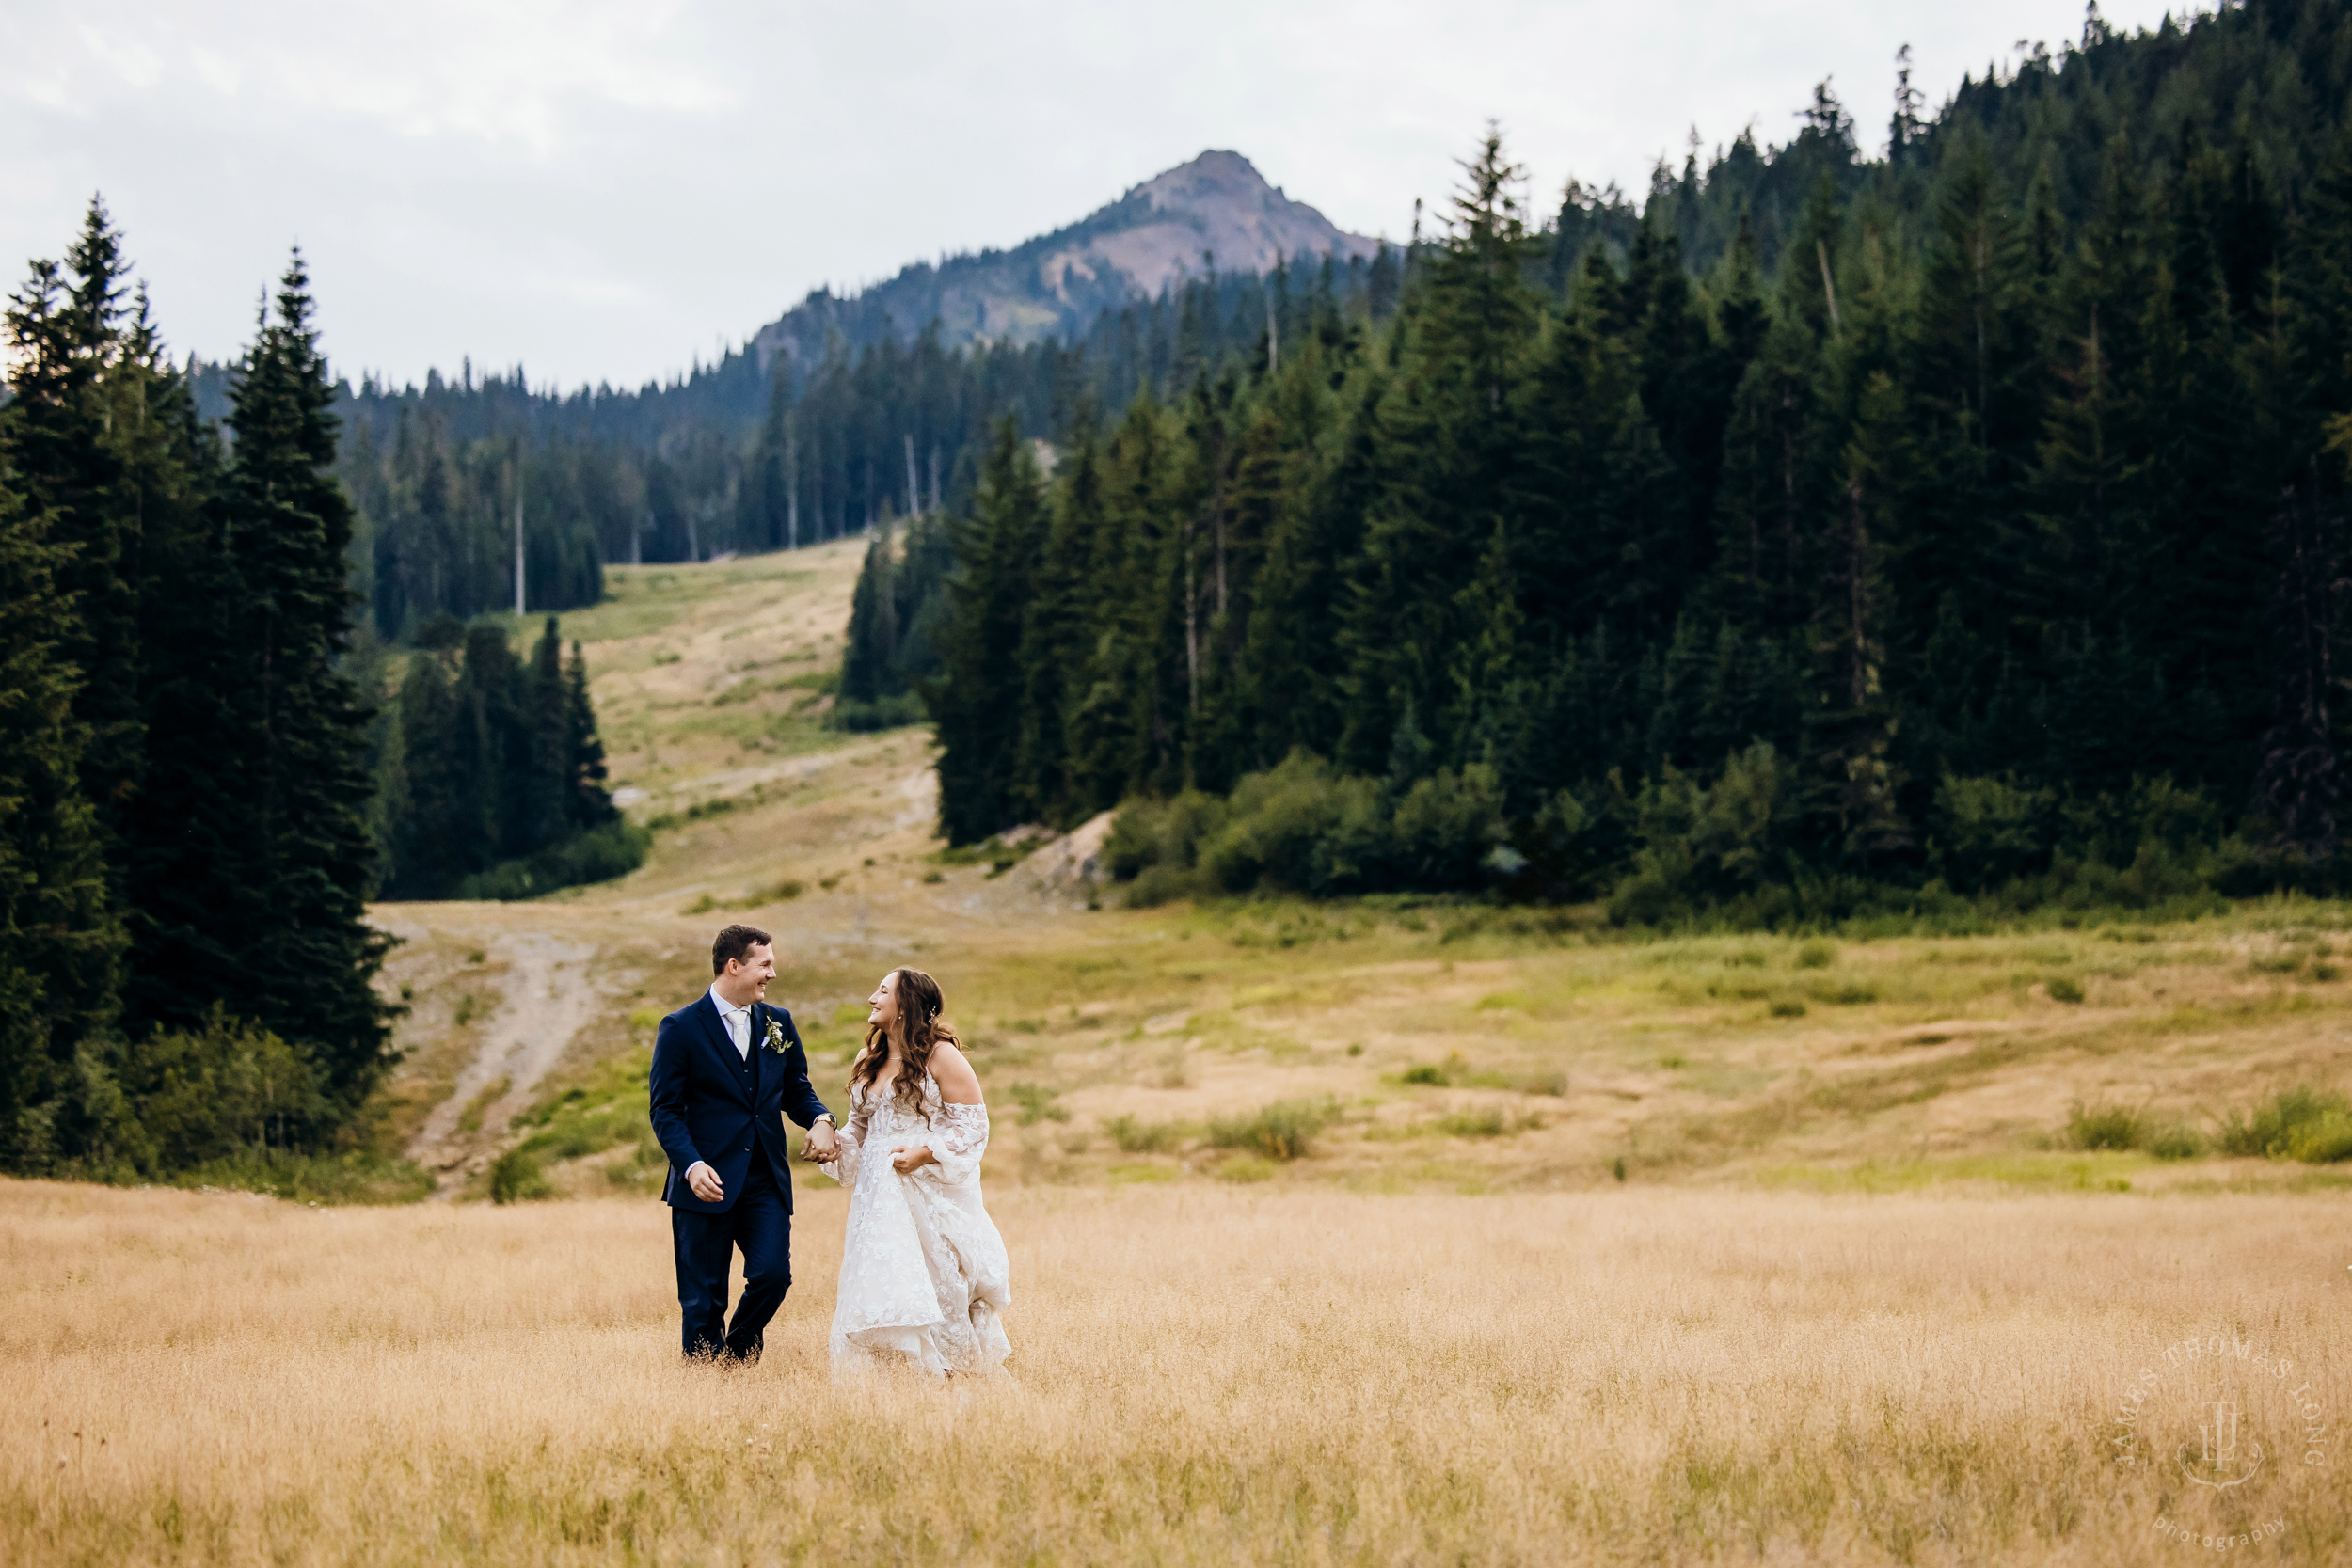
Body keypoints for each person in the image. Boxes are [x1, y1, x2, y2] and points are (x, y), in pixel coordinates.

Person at [648, 923, 838, 1362]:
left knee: (774, 1274)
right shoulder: (679, 1028)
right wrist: (691, 1165)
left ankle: (735, 1358)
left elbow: (796, 1090)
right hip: (705, 1182)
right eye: (765, 964)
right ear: (734, 966)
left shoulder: (778, 1022)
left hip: (764, 1180)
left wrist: (821, 1118)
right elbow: (665, 1111)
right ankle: (705, 1388)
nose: (772, 974)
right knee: (703, 1301)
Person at [820, 967, 1010, 1377]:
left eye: (883, 991)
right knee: (878, 1278)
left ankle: (955, 1373)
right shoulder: (867, 1059)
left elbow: (973, 1126)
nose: (873, 998)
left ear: (905, 1006)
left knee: (936, 1279)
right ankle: (895, 1379)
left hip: (923, 1191)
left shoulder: (941, 1056)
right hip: (877, 1194)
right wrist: (831, 1142)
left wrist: (924, 1153)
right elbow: (861, 1127)